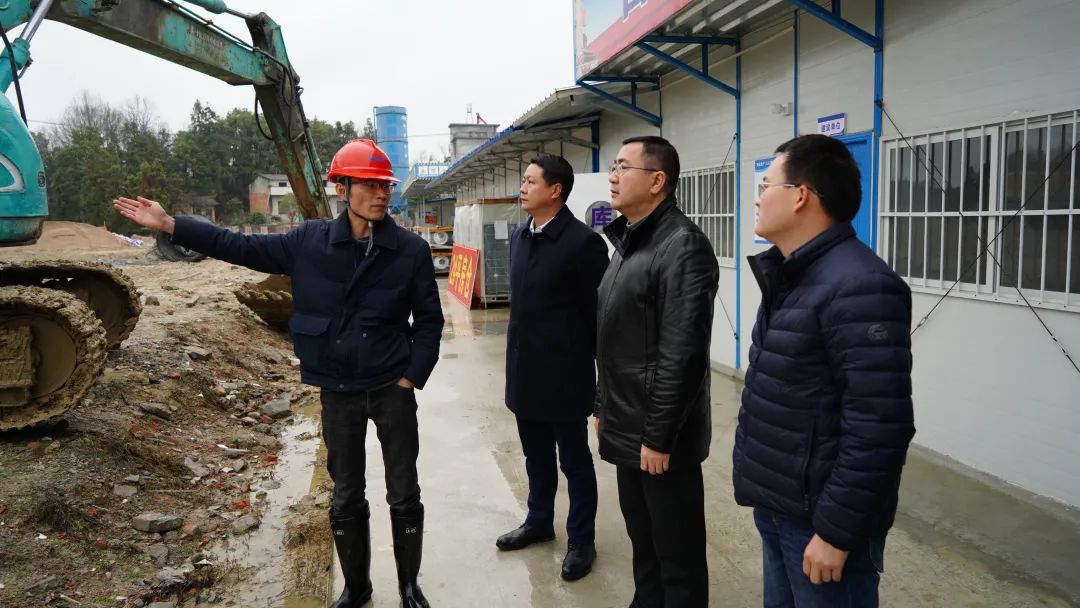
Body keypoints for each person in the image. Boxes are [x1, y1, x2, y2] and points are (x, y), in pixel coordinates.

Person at [114, 139, 443, 608]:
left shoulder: (409, 250)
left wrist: (411, 375)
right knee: (346, 493)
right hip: (338, 389)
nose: (381, 194)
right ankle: (358, 588)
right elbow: (239, 245)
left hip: (392, 386)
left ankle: (410, 587)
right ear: (343, 189)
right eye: (369, 185)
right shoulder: (309, 242)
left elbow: (429, 320)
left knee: (404, 490)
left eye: (384, 185)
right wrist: (172, 225)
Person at [733, 134, 915, 608]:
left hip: (821, 524)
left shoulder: (861, 285)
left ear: (800, 196)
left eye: (766, 185)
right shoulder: (791, 274)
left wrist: (836, 531)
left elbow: (880, 425)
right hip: (781, 506)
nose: (757, 198)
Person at [595, 136, 718, 607]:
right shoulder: (630, 241)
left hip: (659, 438)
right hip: (629, 424)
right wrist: (603, 406)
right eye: (613, 166)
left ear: (656, 180)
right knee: (643, 543)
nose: (613, 176)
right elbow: (615, 339)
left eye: (623, 167)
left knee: (676, 555)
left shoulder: (682, 246)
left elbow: (682, 355)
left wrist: (659, 436)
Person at [497, 153, 609, 581]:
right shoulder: (521, 236)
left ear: (555, 190)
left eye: (530, 181)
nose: (522, 188)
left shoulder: (583, 244)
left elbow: (600, 318)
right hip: (525, 372)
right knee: (535, 456)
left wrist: (600, 384)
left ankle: (582, 539)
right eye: (523, 180)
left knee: (574, 462)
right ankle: (539, 521)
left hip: (565, 376)